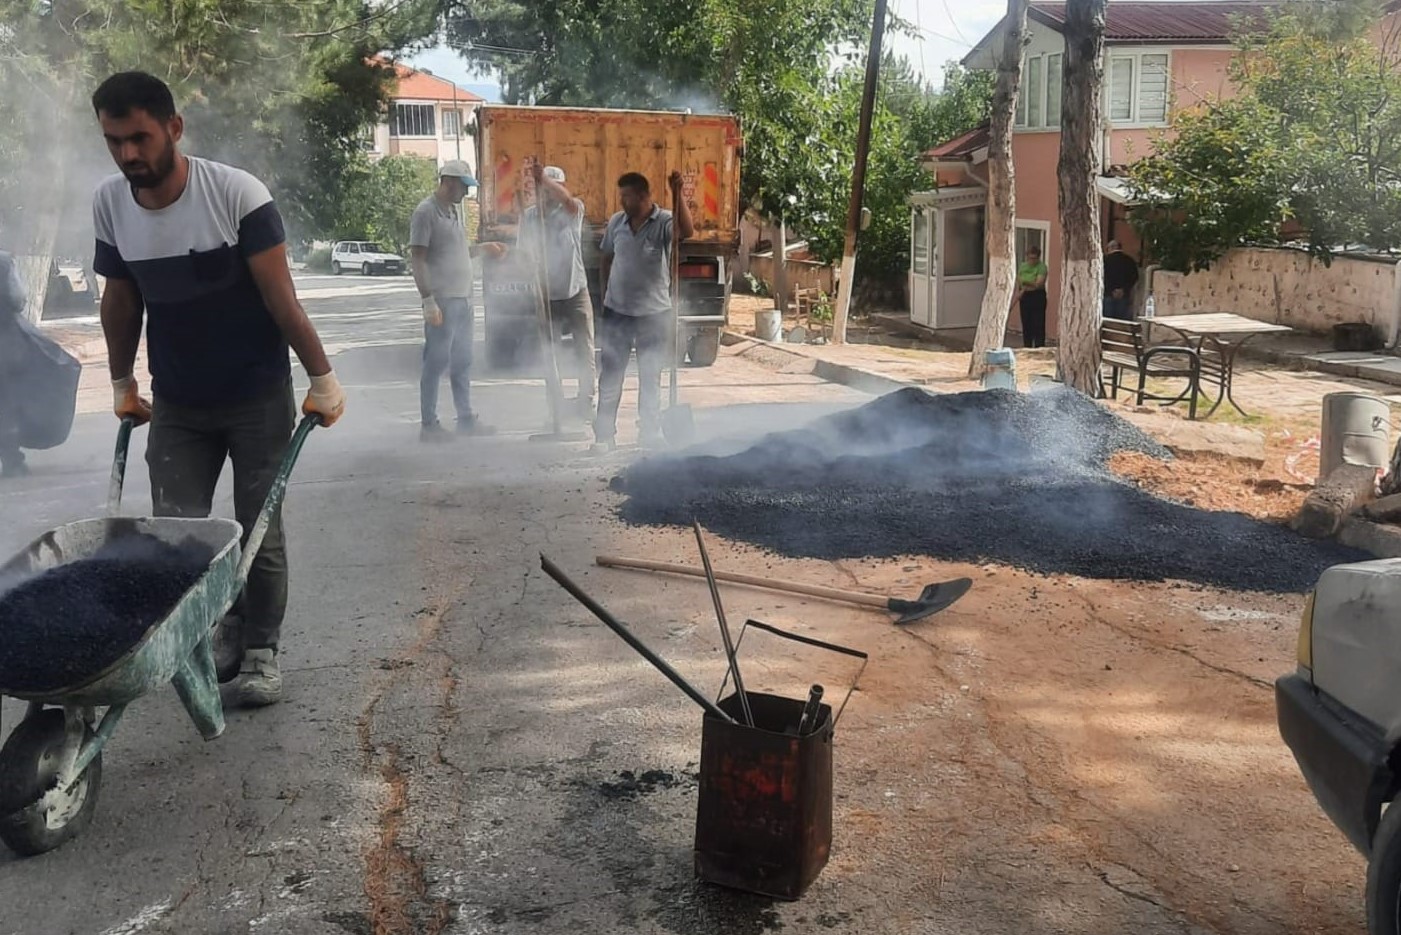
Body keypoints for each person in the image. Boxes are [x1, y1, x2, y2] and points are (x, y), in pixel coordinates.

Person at [90, 71, 346, 707]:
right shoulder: (111, 204)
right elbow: (120, 301)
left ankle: (261, 649)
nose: (128, 154)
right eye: (115, 141)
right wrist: (122, 382)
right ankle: (212, 625)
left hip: (256, 395)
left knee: (259, 530)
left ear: (174, 128)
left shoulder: (235, 194)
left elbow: (280, 298)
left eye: (140, 138)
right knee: (177, 533)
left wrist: (322, 378)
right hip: (178, 400)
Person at [595, 170, 694, 451]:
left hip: (653, 314)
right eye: (622, 196)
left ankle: (648, 433)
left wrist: (677, 193)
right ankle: (604, 436)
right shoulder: (617, 222)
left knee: (650, 376)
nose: (622, 201)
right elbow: (606, 258)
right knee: (610, 376)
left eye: (627, 196)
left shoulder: (663, 221)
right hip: (617, 311)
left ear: (643, 196)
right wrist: (604, 295)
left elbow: (687, 231)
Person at [409, 161, 505, 441]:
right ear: (448, 181)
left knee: (462, 361)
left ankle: (465, 419)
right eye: (463, 186)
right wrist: (428, 300)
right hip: (443, 300)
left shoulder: (454, 211)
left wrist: (483, 249)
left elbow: (457, 252)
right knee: (435, 362)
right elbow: (418, 259)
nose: (466, 192)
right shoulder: (426, 212)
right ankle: (429, 425)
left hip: (463, 299)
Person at [518, 164, 595, 418]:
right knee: (549, 352)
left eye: (553, 189)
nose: (549, 195)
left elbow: (568, 202)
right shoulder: (529, 217)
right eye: (544, 190)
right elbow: (522, 254)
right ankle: (556, 408)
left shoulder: (573, 210)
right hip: (545, 295)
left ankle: (586, 403)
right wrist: (529, 264)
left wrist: (544, 180)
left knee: (584, 348)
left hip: (575, 290)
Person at [0, 251, 27, 478]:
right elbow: (17, 299)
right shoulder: (3, 261)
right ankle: (11, 460)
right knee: (5, 402)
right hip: (3, 342)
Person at [1016, 246, 1049, 348]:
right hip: (1025, 296)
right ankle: (1027, 346)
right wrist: (1028, 283)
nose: (1032, 261)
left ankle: (1039, 346)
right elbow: (1020, 280)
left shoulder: (1042, 267)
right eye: (1030, 258)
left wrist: (1027, 283)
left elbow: (1038, 283)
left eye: (1034, 258)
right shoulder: (1023, 266)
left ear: (1038, 258)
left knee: (1038, 323)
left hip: (1037, 296)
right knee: (1026, 323)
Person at [1103, 240, 1140, 322]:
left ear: (1110, 248)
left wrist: (1112, 290)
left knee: (1107, 321)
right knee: (1122, 321)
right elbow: (1134, 277)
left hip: (1108, 294)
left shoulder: (1105, 260)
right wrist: (1123, 289)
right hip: (1124, 295)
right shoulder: (1129, 260)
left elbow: (1103, 277)